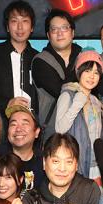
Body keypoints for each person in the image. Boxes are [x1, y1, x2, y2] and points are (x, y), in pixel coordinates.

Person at [0, 0, 39, 115]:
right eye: (14, 21)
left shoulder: (38, 58)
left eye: (25, 21)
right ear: (7, 27)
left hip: (31, 121)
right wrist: (7, 103)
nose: (20, 27)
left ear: (32, 27)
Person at [54, 50, 103, 181]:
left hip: (95, 165)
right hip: (76, 163)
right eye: (87, 71)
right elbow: (59, 129)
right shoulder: (68, 95)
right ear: (78, 72)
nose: (92, 76)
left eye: (96, 73)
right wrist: (77, 103)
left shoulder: (95, 101)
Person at [32, 9, 82, 139]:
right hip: (53, 134)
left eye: (64, 28)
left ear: (72, 32)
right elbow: (62, 92)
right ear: (48, 35)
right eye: (54, 30)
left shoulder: (83, 56)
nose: (60, 33)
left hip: (84, 130)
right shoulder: (40, 61)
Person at [0, 104, 45, 193]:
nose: (18, 129)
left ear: (37, 132)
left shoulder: (44, 162)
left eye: (25, 124)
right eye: (13, 124)